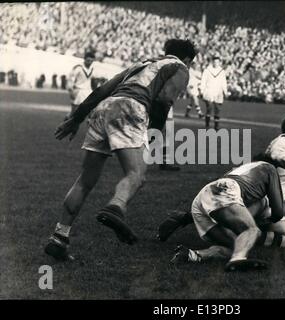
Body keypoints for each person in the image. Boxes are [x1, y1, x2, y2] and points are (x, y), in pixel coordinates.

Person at [45, 39, 198, 261]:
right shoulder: (181, 68)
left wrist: (75, 119)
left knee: (85, 181)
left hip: (103, 109)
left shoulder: (141, 64)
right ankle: (114, 208)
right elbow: (164, 100)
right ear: (187, 59)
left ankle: (59, 236)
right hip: (131, 108)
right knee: (136, 174)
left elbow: (102, 90)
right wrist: (153, 134)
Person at [158, 114, 285, 245]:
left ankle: (252, 239)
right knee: (230, 232)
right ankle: (187, 222)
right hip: (257, 198)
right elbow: (277, 155)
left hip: (270, 208)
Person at [173, 160, 285, 272]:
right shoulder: (270, 169)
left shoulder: (242, 169)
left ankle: (192, 255)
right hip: (224, 190)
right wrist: (263, 222)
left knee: (237, 245)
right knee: (252, 230)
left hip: (201, 200)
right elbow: (278, 212)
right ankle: (237, 261)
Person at [200, 56, 228, 130]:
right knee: (209, 108)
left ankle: (216, 126)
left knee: (217, 109)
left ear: (219, 63)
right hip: (209, 91)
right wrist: (202, 90)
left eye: (217, 62)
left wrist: (225, 91)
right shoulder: (207, 70)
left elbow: (224, 82)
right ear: (212, 62)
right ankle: (207, 125)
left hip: (218, 91)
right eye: (214, 62)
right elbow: (203, 80)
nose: (216, 63)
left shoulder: (222, 71)